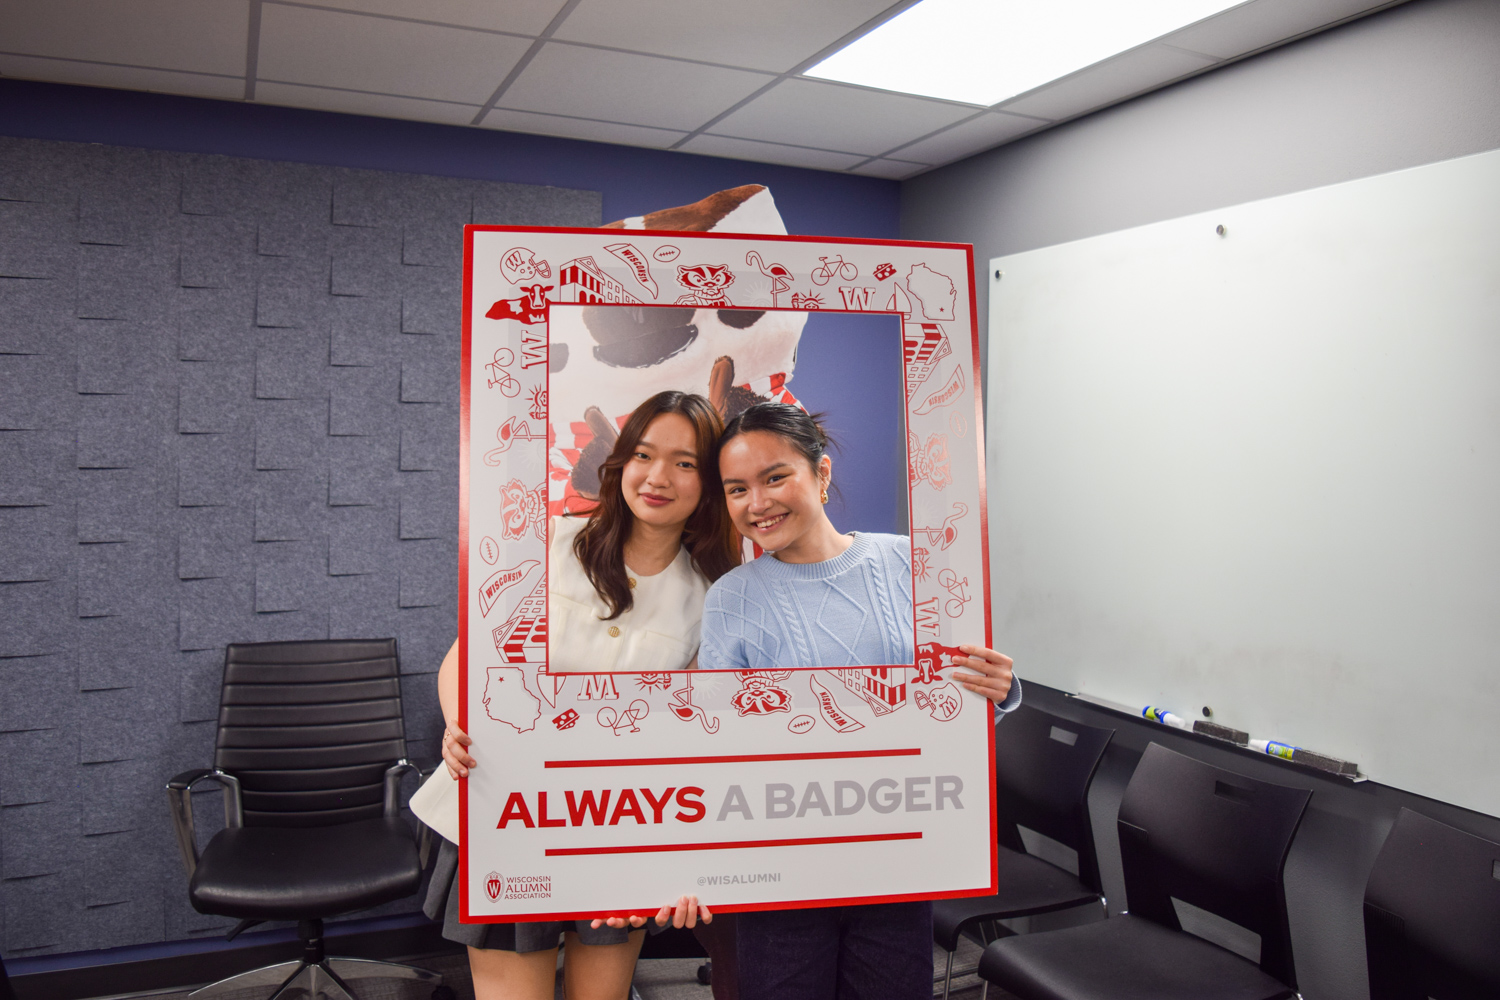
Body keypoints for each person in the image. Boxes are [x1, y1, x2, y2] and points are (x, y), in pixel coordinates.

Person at [701, 402, 1020, 1000]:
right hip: (783, 869)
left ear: (821, 474)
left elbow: (955, 701)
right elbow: (720, 736)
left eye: (776, 477)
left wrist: (993, 689)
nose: (757, 503)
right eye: (736, 488)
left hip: (896, 858)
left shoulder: (914, 564)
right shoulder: (730, 599)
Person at [427, 390, 738, 1000]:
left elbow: (696, 725)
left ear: (709, 481)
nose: (657, 477)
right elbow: (467, 661)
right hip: (511, 812)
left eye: (684, 463)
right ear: (620, 462)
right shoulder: (548, 544)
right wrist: (460, 724)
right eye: (644, 454)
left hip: (618, 827)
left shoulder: (714, 594)